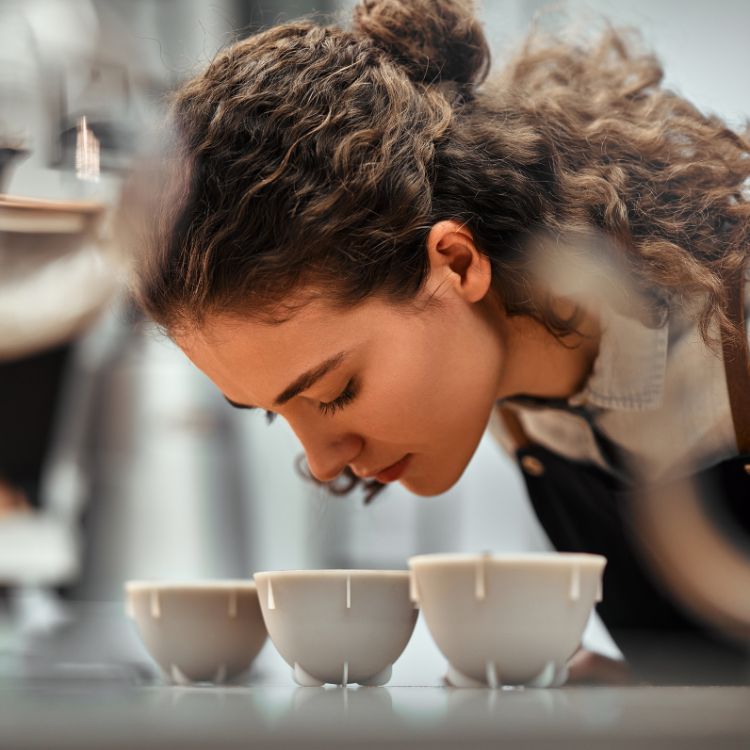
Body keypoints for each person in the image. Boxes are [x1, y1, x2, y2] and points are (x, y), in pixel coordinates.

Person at [127, 0, 750, 684]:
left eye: (337, 391)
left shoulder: (730, 334)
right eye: (278, 411)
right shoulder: (519, 393)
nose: (325, 465)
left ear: (456, 262)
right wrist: (645, 695)